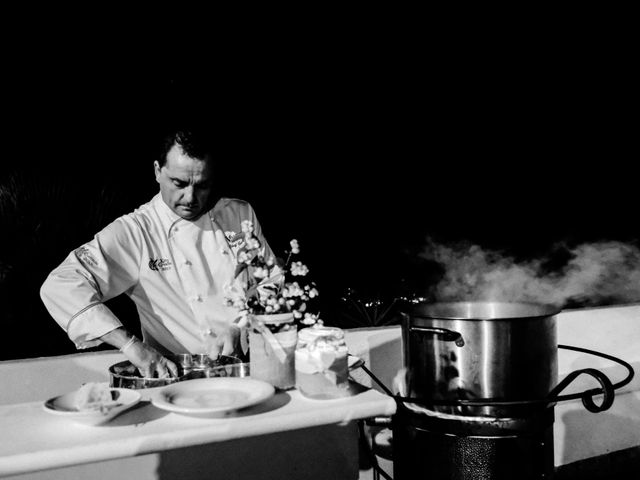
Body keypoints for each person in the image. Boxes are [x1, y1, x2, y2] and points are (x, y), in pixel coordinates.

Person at [40, 126, 276, 378]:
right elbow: (61, 284)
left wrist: (241, 327)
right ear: (157, 171)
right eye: (179, 183)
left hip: (251, 368)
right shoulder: (136, 231)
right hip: (179, 377)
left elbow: (271, 285)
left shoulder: (238, 214)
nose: (190, 197)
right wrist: (130, 345)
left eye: (202, 185)